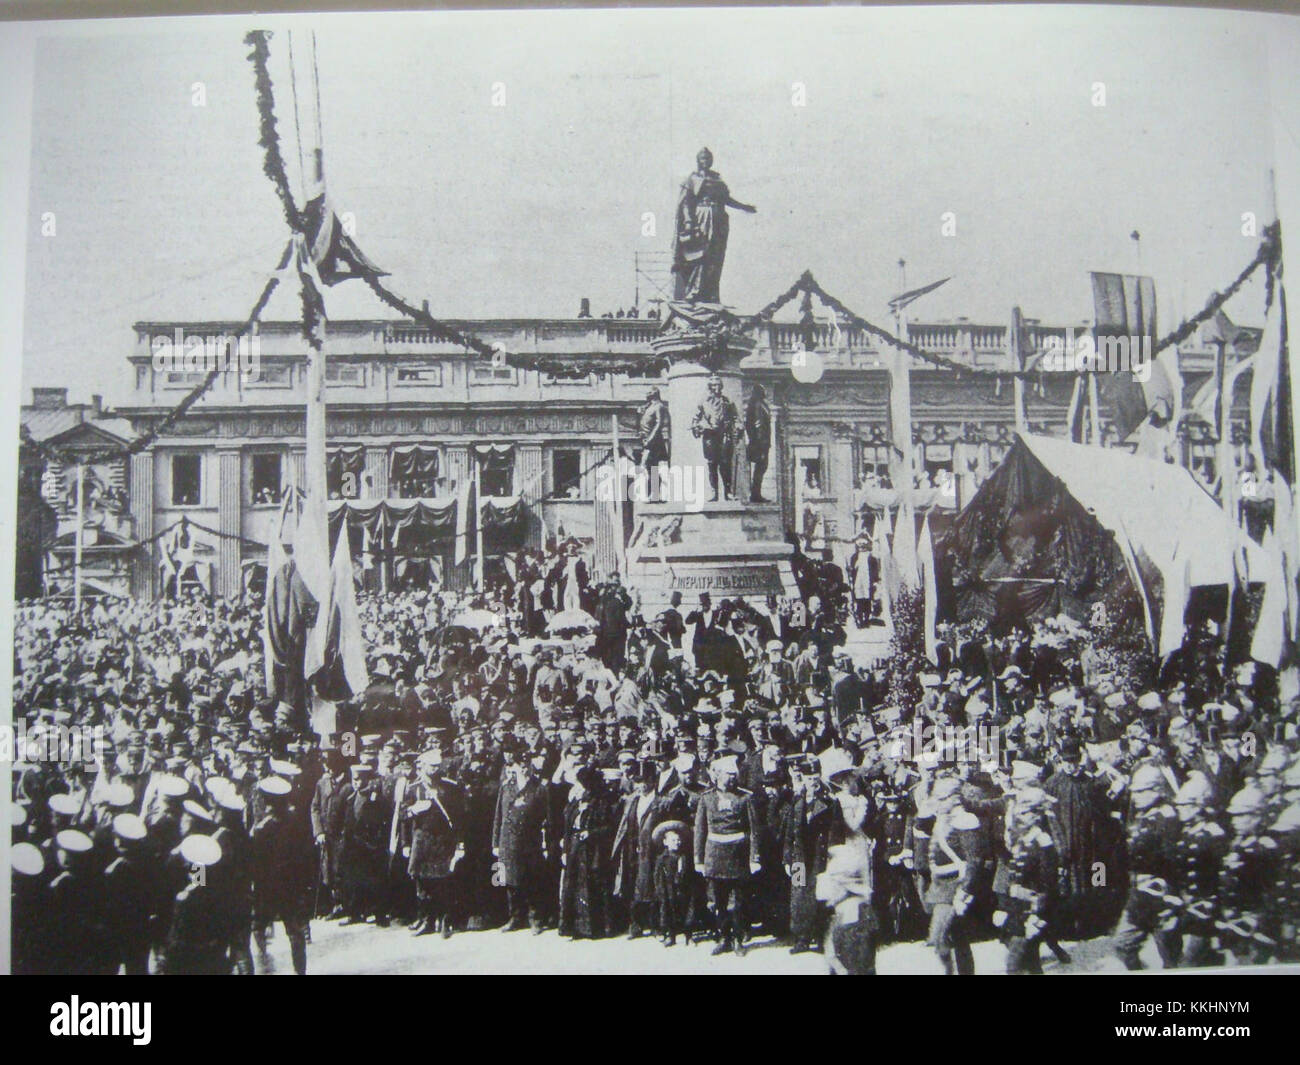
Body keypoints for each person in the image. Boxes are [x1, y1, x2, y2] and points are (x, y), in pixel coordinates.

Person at [693, 754, 759, 955]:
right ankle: (724, 938)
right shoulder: (706, 798)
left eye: (734, 775)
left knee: (739, 902)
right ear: (718, 775)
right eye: (728, 774)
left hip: (738, 854)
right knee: (718, 901)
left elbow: (754, 830)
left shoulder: (745, 797)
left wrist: (754, 858)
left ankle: (738, 939)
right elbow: (700, 830)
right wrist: (699, 859)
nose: (732, 778)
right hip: (715, 855)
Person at [691, 376, 740, 502]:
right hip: (709, 436)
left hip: (724, 434)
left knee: (725, 463)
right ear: (710, 387)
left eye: (719, 385)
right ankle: (714, 493)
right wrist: (697, 427)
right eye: (714, 385)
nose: (717, 388)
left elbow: (736, 418)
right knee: (712, 464)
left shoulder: (727, 402)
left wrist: (739, 427)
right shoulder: (703, 402)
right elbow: (695, 419)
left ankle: (728, 492)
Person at [743, 385, 772, 503]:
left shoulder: (758, 404)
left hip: (760, 442)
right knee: (761, 468)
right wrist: (762, 444)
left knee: (759, 469)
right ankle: (755, 494)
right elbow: (758, 425)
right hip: (760, 443)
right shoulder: (758, 405)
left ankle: (755, 493)